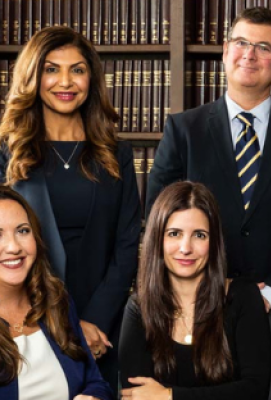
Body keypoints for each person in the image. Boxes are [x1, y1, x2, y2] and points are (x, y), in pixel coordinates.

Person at [146, 6, 271, 314]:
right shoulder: (184, 130)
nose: (249, 55)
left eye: (263, 47)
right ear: (226, 52)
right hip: (195, 304)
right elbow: (158, 219)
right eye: (241, 43)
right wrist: (206, 284)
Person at [0, 26, 141, 392]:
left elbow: (127, 244)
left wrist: (94, 320)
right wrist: (62, 322)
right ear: (33, 76)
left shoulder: (117, 153)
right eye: (51, 69)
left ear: (91, 78)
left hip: (104, 323)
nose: (65, 81)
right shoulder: (7, 152)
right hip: (29, 319)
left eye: (77, 69)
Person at [118, 181, 271, 400]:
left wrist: (169, 396)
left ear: (214, 242)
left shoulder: (243, 296)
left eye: (199, 235)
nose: (186, 248)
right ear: (157, 239)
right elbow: (136, 395)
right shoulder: (139, 307)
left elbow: (255, 391)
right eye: (174, 234)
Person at [0, 186, 112, 400]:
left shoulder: (56, 302)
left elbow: (96, 382)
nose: (13, 247)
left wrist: (94, 397)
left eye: (23, 231)